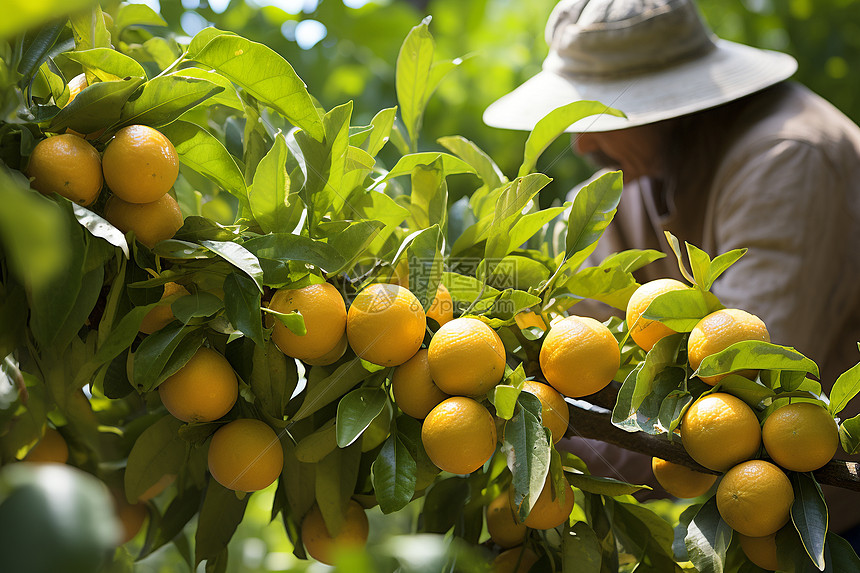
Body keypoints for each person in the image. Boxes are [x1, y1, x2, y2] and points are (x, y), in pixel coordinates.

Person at [483, 0, 860, 538]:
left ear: (673, 104)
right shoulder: (649, 168)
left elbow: (735, 399)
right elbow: (572, 317)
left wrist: (524, 434)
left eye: (600, 119)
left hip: (837, 521)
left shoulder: (787, 159)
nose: (581, 143)